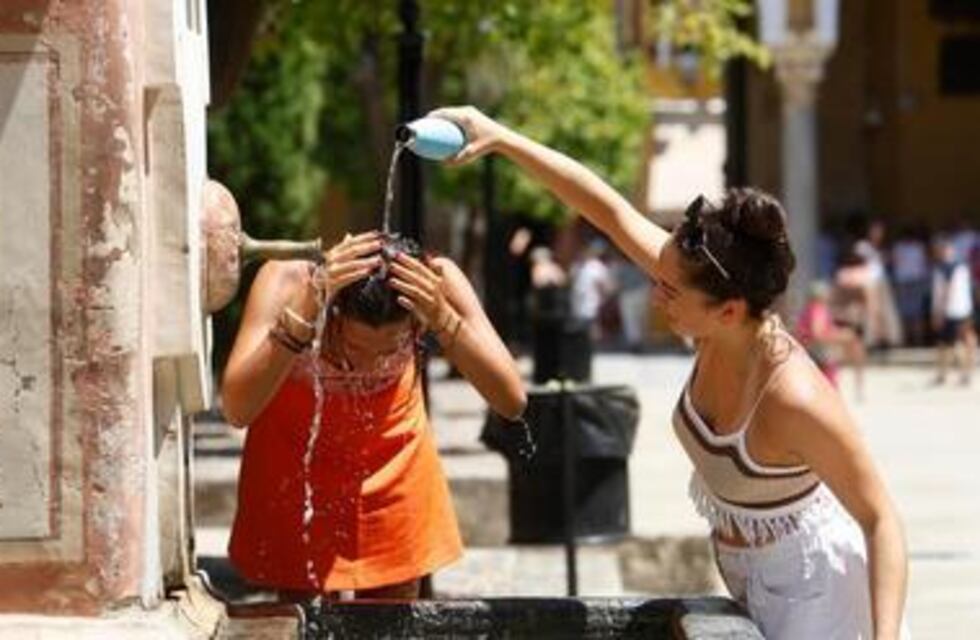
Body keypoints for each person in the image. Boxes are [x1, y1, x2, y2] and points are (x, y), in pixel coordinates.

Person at [429, 106, 909, 639]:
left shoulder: (794, 396)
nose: (656, 293)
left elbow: (882, 520)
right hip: (749, 577)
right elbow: (605, 208)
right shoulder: (709, 297)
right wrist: (501, 138)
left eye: (670, 289)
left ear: (728, 311)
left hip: (817, 592)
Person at [220, 228, 526, 601]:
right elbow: (237, 409)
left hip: (395, 473)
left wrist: (444, 317)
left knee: (390, 622)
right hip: (296, 475)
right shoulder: (290, 280)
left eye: (391, 348)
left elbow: (511, 401)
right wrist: (305, 310)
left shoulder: (434, 284)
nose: (370, 363)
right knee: (303, 619)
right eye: (354, 346)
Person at [930, 237, 976, 386]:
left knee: (950, 344)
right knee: (958, 342)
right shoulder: (962, 266)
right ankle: (958, 374)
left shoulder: (946, 268)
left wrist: (939, 313)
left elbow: (946, 291)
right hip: (964, 309)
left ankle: (950, 374)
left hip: (951, 311)